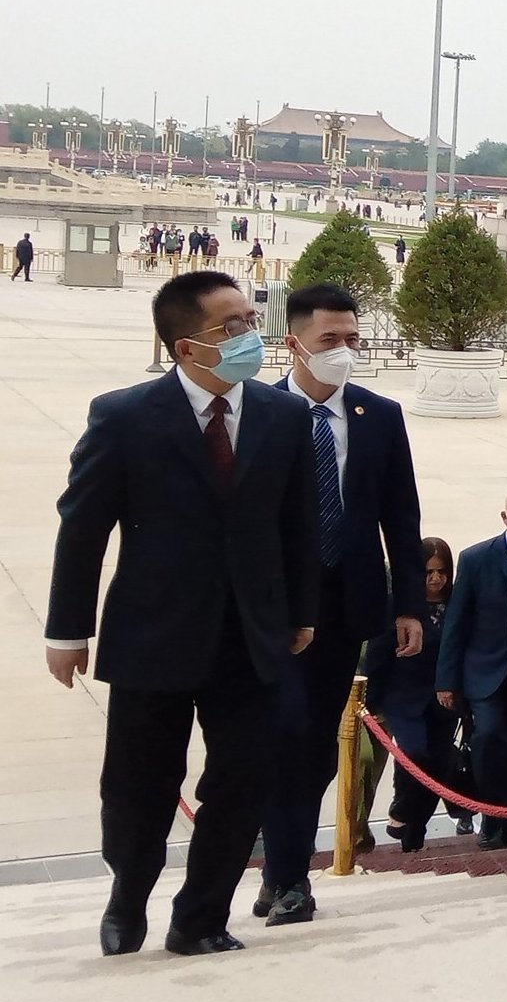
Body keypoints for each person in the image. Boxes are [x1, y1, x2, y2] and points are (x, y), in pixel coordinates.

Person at [44, 271, 319, 956]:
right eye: (232, 327)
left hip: (250, 635)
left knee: (243, 779)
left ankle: (200, 917)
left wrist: (301, 609)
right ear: (186, 347)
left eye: (251, 319)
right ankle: (127, 895)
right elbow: (83, 527)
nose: (250, 337)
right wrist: (67, 630)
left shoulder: (284, 417)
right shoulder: (125, 416)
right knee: (139, 785)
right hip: (153, 634)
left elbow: (299, 525)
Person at [252, 283, 426, 925]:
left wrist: (407, 602)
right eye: (330, 340)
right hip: (273, 606)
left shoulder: (378, 415)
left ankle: (283, 871)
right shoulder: (256, 409)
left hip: (346, 603)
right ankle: (290, 873)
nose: (344, 351)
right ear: (294, 342)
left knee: (317, 743)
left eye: (353, 338)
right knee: (285, 730)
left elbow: (401, 518)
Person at [437, 487, 507, 848]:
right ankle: (492, 818)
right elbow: (457, 622)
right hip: (485, 672)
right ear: (504, 516)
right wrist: (446, 680)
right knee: (489, 738)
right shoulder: (477, 558)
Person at [361, 538, 457, 851]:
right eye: (429, 572)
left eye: (441, 572)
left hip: (445, 700)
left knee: (438, 767)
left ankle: (414, 828)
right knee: (414, 754)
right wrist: (370, 702)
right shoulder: (399, 606)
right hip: (403, 697)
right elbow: (377, 655)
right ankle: (401, 811)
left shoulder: (456, 603)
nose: (436, 579)